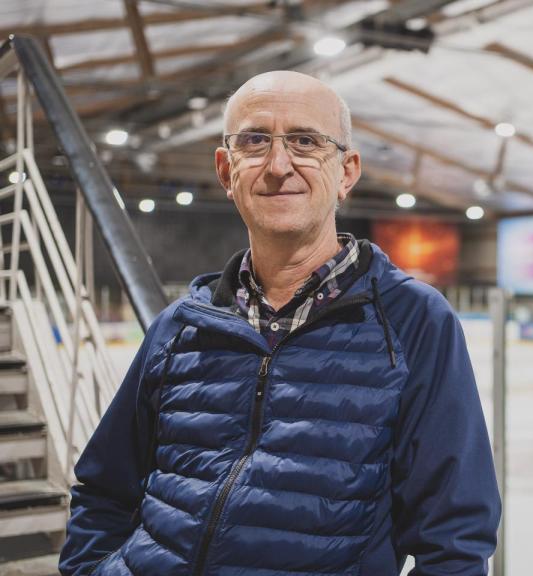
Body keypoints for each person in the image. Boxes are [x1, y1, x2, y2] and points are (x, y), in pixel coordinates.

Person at [59, 71, 500, 576]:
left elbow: (456, 541)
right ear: (227, 171)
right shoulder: (179, 326)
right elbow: (104, 489)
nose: (278, 165)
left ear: (347, 171)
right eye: (254, 141)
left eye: (306, 141)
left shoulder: (412, 321)